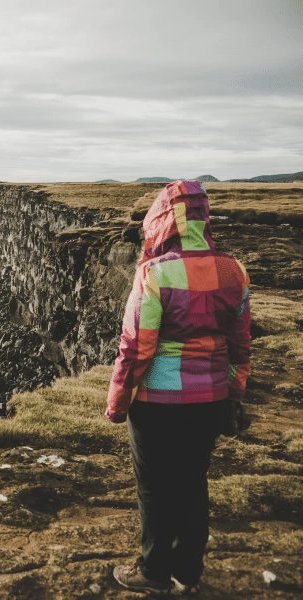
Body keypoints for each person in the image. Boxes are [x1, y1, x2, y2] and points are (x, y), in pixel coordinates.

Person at [105, 180, 251, 596]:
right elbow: (242, 344)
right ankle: (188, 572)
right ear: (204, 218)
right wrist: (234, 394)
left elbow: (136, 348)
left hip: (158, 401)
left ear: (162, 218)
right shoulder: (233, 270)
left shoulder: (154, 273)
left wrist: (117, 402)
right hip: (210, 399)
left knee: (154, 486)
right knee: (192, 481)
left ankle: (152, 571)